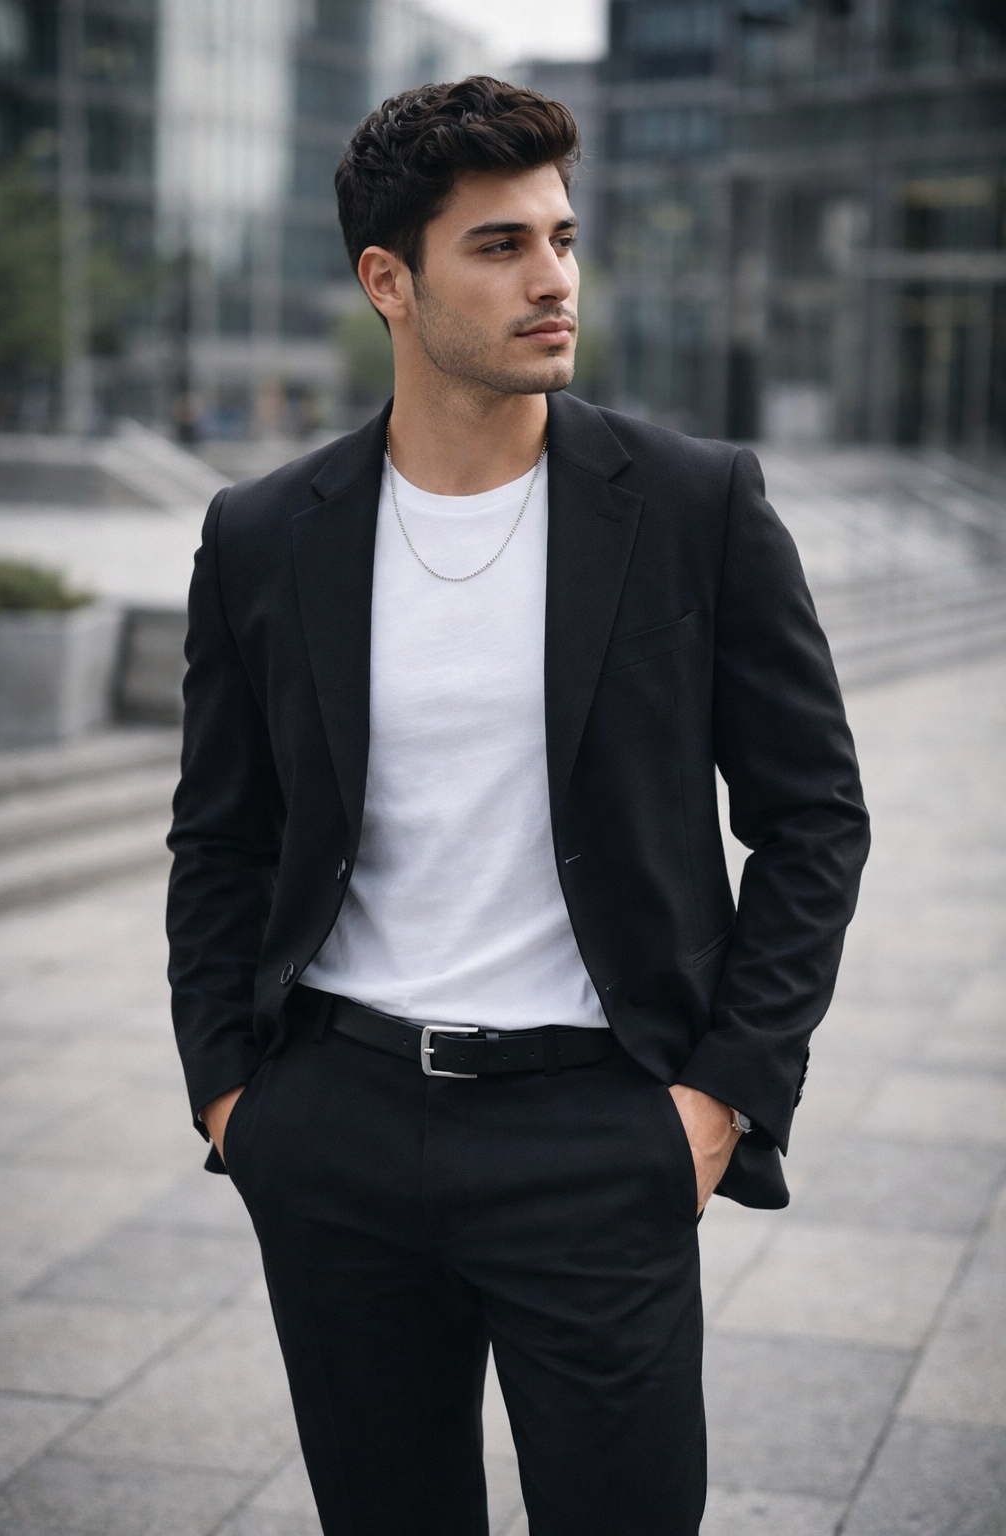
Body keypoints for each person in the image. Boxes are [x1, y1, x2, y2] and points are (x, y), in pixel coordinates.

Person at [166, 76, 869, 1536]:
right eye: (499, 245)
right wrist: (234, 1094)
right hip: (338, 1125)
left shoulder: (693, 504)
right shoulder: (263, 535)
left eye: (562, 236)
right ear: (390, 282)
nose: (554, 278)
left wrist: (722, 1096)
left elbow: (813, 814)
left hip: (599, 1128)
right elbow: (222, 836)